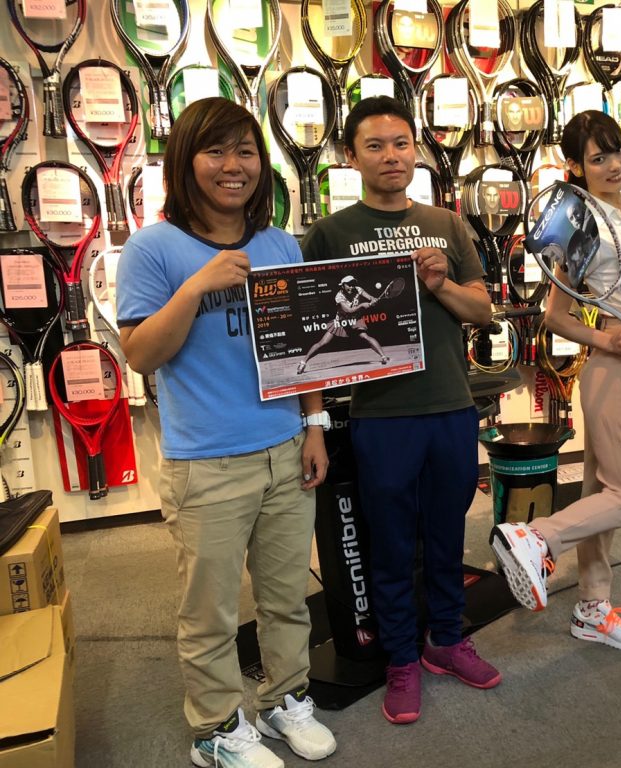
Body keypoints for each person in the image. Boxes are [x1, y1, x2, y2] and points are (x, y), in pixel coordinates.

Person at [116, 97, 336, 767]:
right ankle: (216, 730)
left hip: (284, 451)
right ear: (186, 162)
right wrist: (195, 289)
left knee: (286, 598)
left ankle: (284, 699)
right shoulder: (153, 249)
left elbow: (304, 349)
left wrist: (315, 425)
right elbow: (140, 355)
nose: (232, 165)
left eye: (245, 150)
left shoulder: (279, 245)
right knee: (209, 612)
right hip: (206, 463)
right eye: (215, 151)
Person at [300, 95, 500, 725]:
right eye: (375, 145)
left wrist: (442, 284)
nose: (391, 156)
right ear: (351, 156)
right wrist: (313, 422)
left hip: (450, 407)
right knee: (387, 544)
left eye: (401, 143)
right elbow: (310, 339)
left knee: (446, 534)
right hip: (381, 416)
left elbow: (483, 311)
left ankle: (447, 640)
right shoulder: (330, 235)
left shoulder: (448, 225)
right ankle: (401, 660)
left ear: (416, 150)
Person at [489, 110, 621, 650]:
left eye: (617, 152)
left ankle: (592, 606)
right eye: (598, 157)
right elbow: (555, 317)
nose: (614, 165)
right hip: (616, 364)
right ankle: (538, 537)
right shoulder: (577, 226)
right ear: (575, 167)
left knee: (600, 492)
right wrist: (607, 340)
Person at [295, 275, 389, 374]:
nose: (351, 287)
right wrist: (362, 305)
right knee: (323, 343)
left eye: (353, 284)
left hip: (355, 320)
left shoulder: (358, 289)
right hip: (340, 322)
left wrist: (373, 300)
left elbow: (370, 297)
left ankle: (383, 357)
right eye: (349, 285)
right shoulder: (339, 296)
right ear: (343, 285)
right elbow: (348, 310)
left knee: (365, 337)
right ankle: (303, 362)